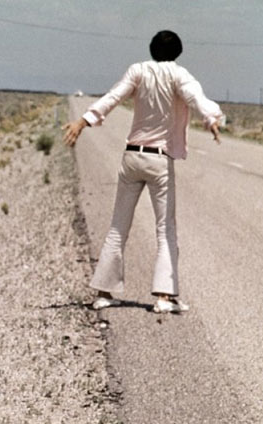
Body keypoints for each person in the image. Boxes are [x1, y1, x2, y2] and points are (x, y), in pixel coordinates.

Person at [62, 30, 224, 314]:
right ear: (178, 51)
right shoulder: (178, 74)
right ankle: (164, 298)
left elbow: (112, 98)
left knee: (117, 227)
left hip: (132, 156)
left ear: (151, 49)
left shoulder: (137, 71)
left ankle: (104, 293)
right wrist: (211, 119)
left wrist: (83, 122)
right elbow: (196, 98)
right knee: (165, 229)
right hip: (159, 161)